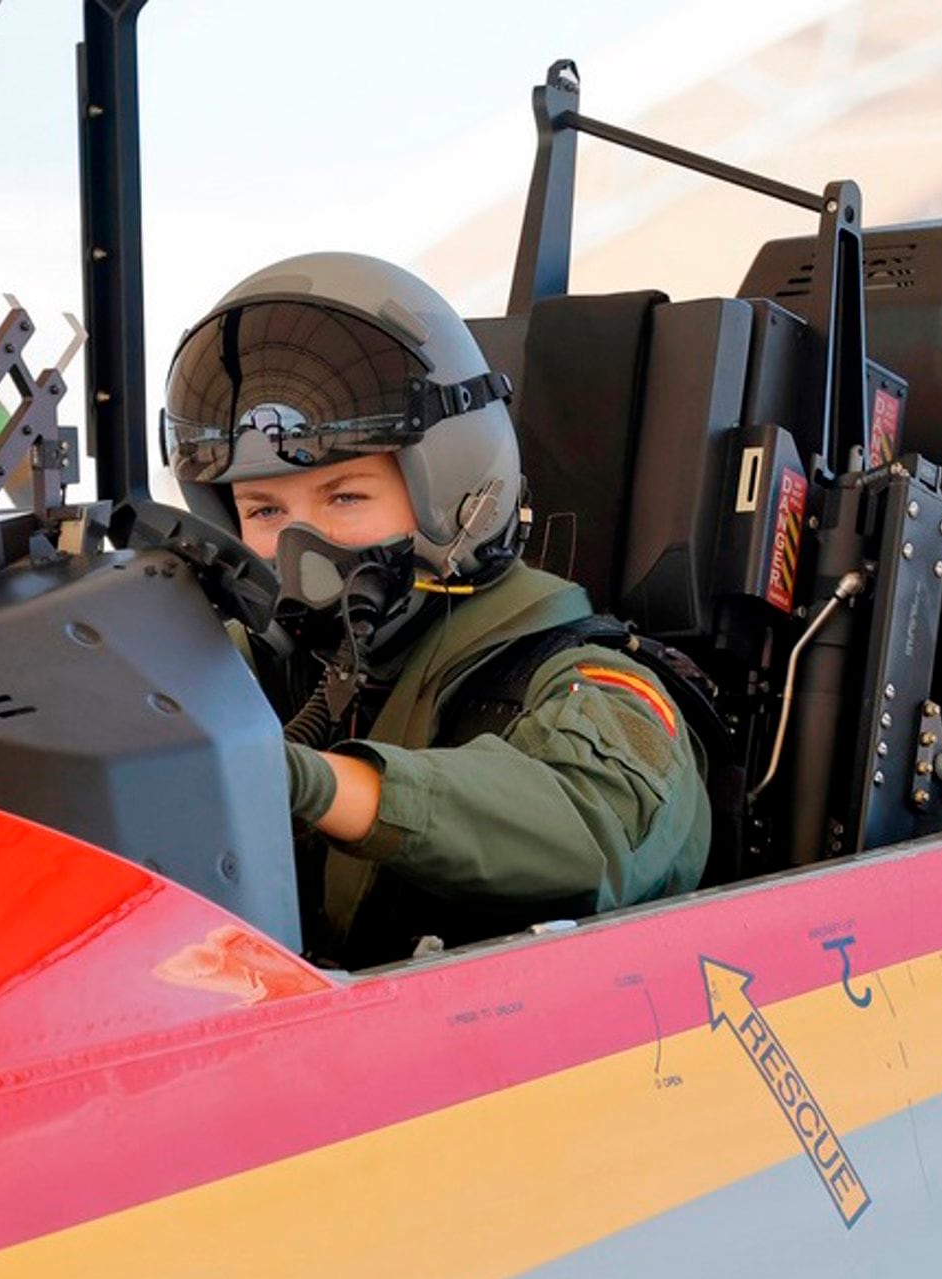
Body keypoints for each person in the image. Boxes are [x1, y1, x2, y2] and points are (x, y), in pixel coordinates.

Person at [161, 252, 711, 967]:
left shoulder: (583, 680)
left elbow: (601, 828)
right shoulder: (240, 668)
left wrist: (309, 780)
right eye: (265, 510)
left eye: (345, 496)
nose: (298, 543)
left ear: (453, 494)